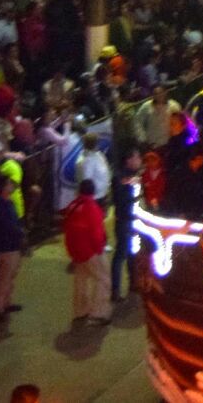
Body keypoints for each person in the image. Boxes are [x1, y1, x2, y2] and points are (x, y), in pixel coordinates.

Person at [63, 178, 112, 327]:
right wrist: (99, 250)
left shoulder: (73, 205)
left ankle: (80, 311)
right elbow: (96, 234)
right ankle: (98, 313)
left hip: (75, 250)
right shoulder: (92, 208)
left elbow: (66, 226)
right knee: (103, 279)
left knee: (81, 280)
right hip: (90, 250)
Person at [0, 173, 25, 323]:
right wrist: (20, 233)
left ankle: (5, 303)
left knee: (8, 277)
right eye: (9, 183)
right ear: (3, 188)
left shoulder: (6, 203)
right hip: (6, 247)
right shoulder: (0, 206)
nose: (12, 185)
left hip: (11, 246)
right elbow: (7, 227)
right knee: (3, 279)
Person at [110, 147, 141, 302]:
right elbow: (122, 197)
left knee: (131, 253)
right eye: (136, 157)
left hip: (132, 220)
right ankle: (115, 289)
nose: (139, 161)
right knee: (121, 254)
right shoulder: (120, 176)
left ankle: (133, 283)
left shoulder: (131, 176)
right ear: (128, 160)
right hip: (124, 221)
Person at [137, 84, 181, 149]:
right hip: (152, 144)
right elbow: (138, 123)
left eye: (161, 93)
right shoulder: (146, 107)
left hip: (169, 144)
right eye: (156, 94)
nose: (159, 95)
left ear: (165, 92)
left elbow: (180, 122)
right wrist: (142, 138)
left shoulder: (174, 106)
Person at [74, 132, 111, 205]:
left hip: (101, 194)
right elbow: (86, 182)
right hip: (94, 198)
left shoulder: (97, 155)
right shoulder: (86, 161)